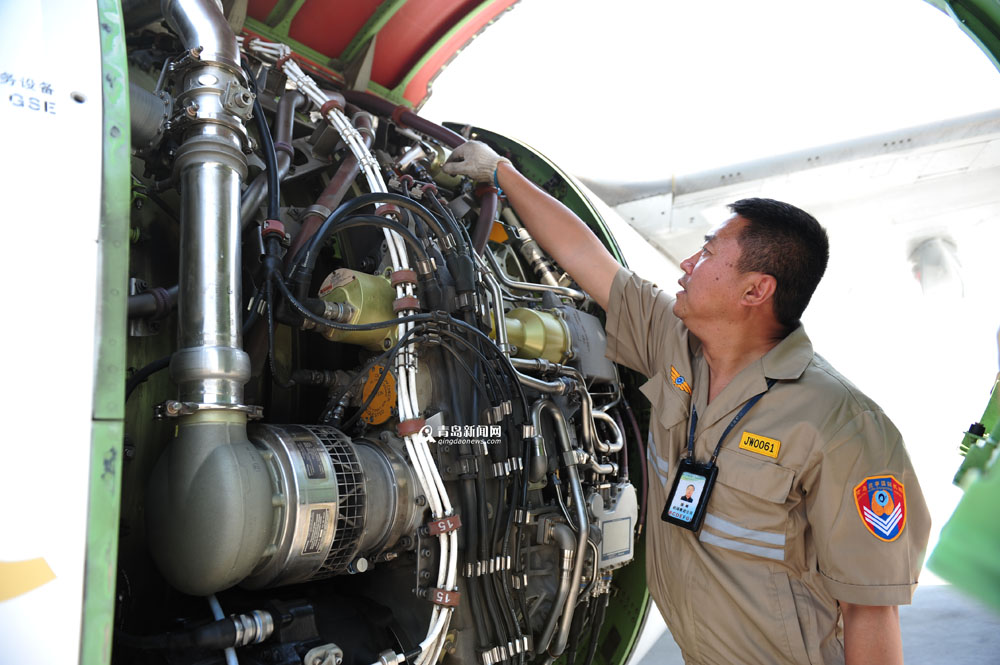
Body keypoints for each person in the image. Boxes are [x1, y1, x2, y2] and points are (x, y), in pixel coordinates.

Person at [443, 142, 931, 665]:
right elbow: (586, 256)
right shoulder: (673, 342)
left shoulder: (845, 427)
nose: (687, 263)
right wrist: (504, 174)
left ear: (754, 291)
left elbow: (871, 612)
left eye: (708, 253)